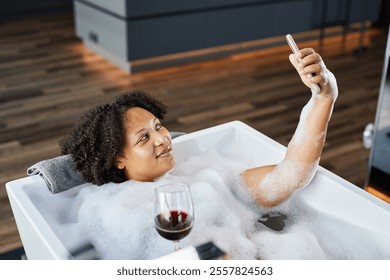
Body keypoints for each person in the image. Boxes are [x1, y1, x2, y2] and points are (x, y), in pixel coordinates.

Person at [61, 47, 338, 208]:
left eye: (158, 126)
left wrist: (324, 96)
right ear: (118, 158)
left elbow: (290, 175)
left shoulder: (205, 178)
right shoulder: (122, 210)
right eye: (144, 137)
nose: (163, 139)